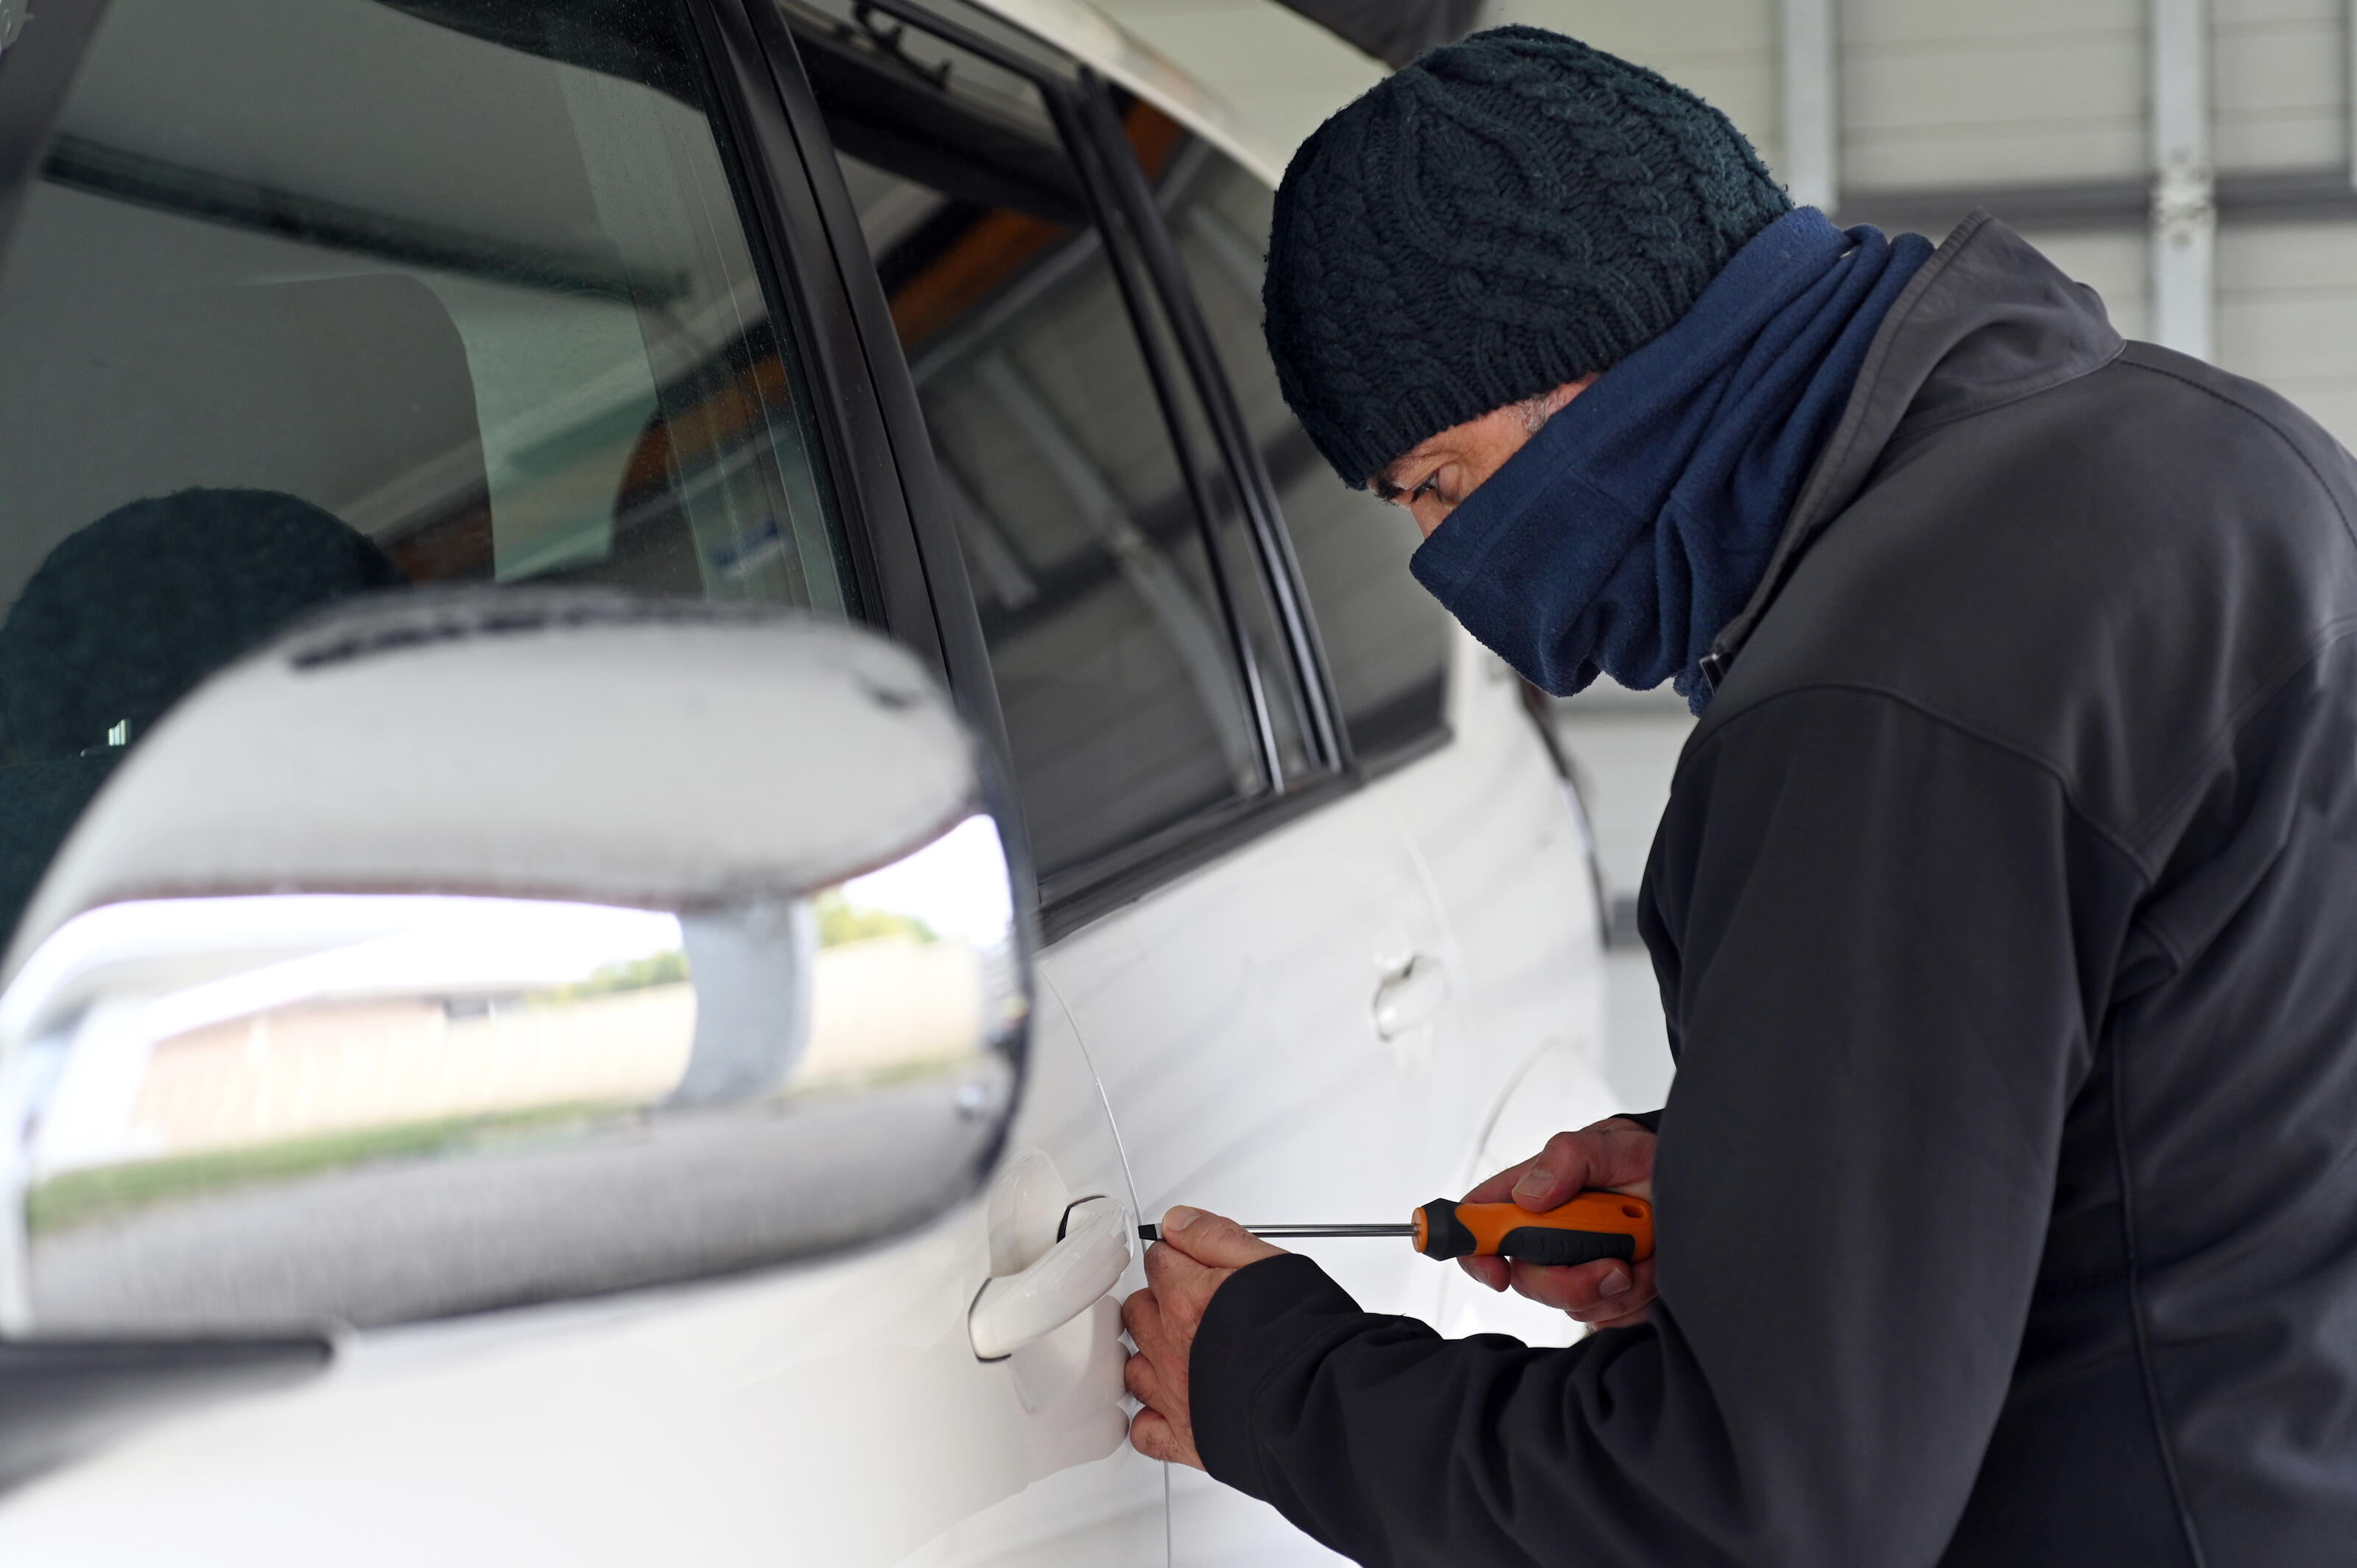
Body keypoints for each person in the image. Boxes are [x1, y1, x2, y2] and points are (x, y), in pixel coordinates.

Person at [1120, 26, 2357, 1567]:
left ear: (1595, 352)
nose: (1449, 565)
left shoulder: (1876, 701)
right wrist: (1762, 1169)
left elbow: (1751, 1521)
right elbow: (2195, 1071)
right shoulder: (2207, 453)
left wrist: (1269, 1383)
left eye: (1437, 482)